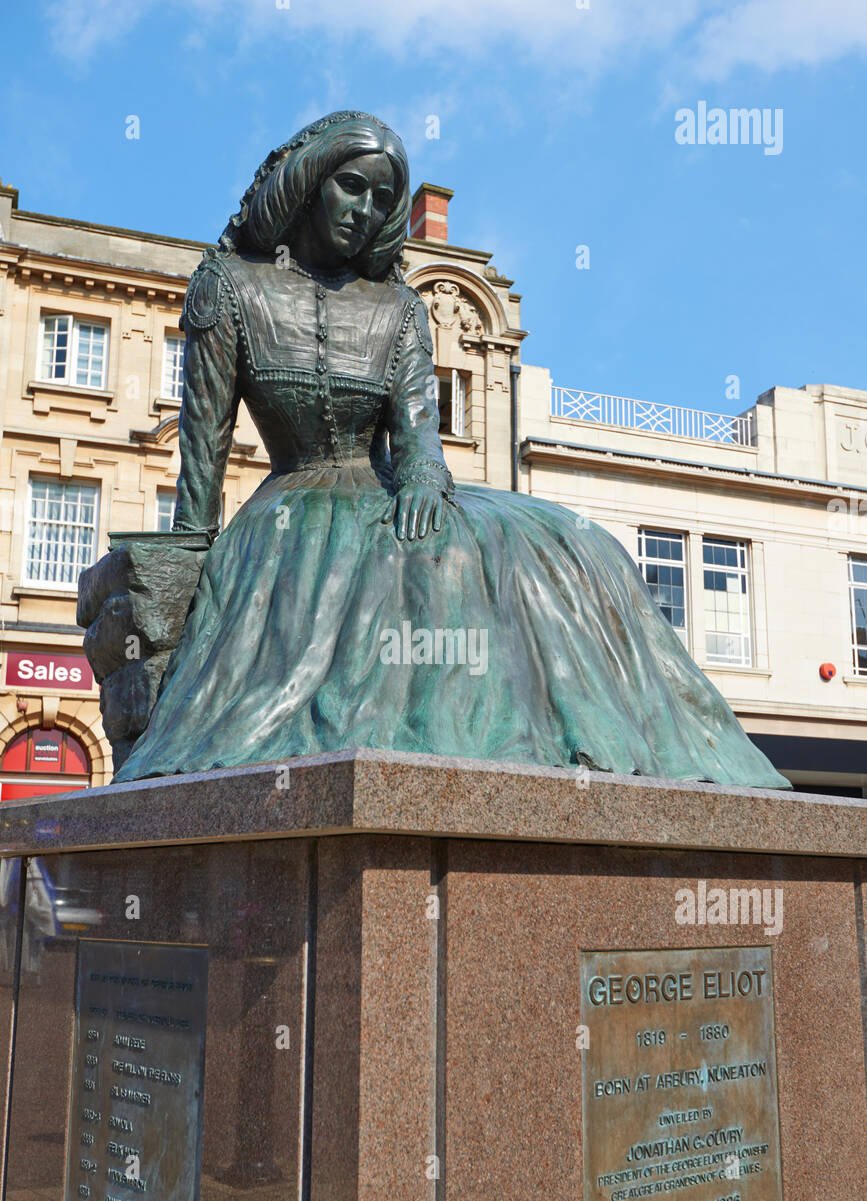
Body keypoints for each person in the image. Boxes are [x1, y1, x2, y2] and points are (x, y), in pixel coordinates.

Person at [115, 111, 787, 789]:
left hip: (393, 490)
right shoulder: (227, 287)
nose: (365, 210)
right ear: (308, 179)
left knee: (570, 538)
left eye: (382, 200)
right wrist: (185, 563)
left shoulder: (399, 307)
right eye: (352, 186)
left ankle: (631, 744)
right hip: (292, 508)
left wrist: (421, 482)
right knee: (419, 560)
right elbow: (203, 446)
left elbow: (417, 433)